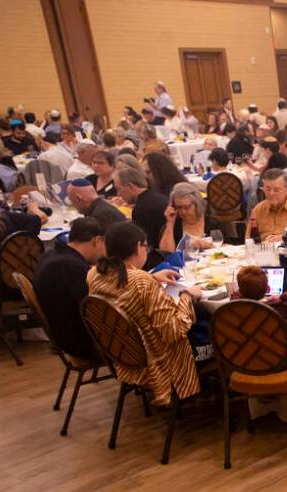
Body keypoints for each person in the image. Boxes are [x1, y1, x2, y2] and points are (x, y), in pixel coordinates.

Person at [86, 222, 201, 405]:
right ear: (138, 246)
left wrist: (153, 277)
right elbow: (173, 331)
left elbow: (122, 290)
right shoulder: (141, 282)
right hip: (157, 359)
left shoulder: (94, 273)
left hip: (123, 352)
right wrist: (187, 296)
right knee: (209, 327)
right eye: (145, 246)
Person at [33, 217, 107, 359]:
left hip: (64, 334)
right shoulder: (70, 267)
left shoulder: (52, 255)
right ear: (97, 241)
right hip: (81, 343)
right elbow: (94, 308)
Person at [113, 167, 169, 250]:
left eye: (119, 189)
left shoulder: (142, 208)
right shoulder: (159, 197)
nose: (118, 194)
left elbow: (146, 244)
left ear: (130, 186)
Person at [161, 183, 216, 252]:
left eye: (187, 207)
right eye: (179, 207)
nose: (183, 212)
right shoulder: (174, 225)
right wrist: (170, 223)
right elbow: (166, 252)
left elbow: (226, 245)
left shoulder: (212, 221)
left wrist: (210, 246)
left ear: (197, 204)